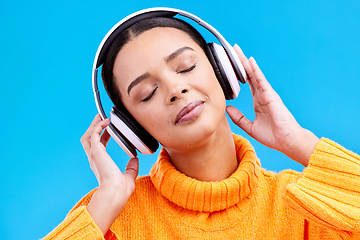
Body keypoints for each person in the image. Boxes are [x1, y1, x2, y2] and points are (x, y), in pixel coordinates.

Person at [43, 15, 360, 239]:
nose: (175, 90)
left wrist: (299, 142)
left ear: (224, 69)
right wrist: (106, 200)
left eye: (186, 67)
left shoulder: (303, 205)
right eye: (147, 93)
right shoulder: (112, 220)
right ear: (131, 129)